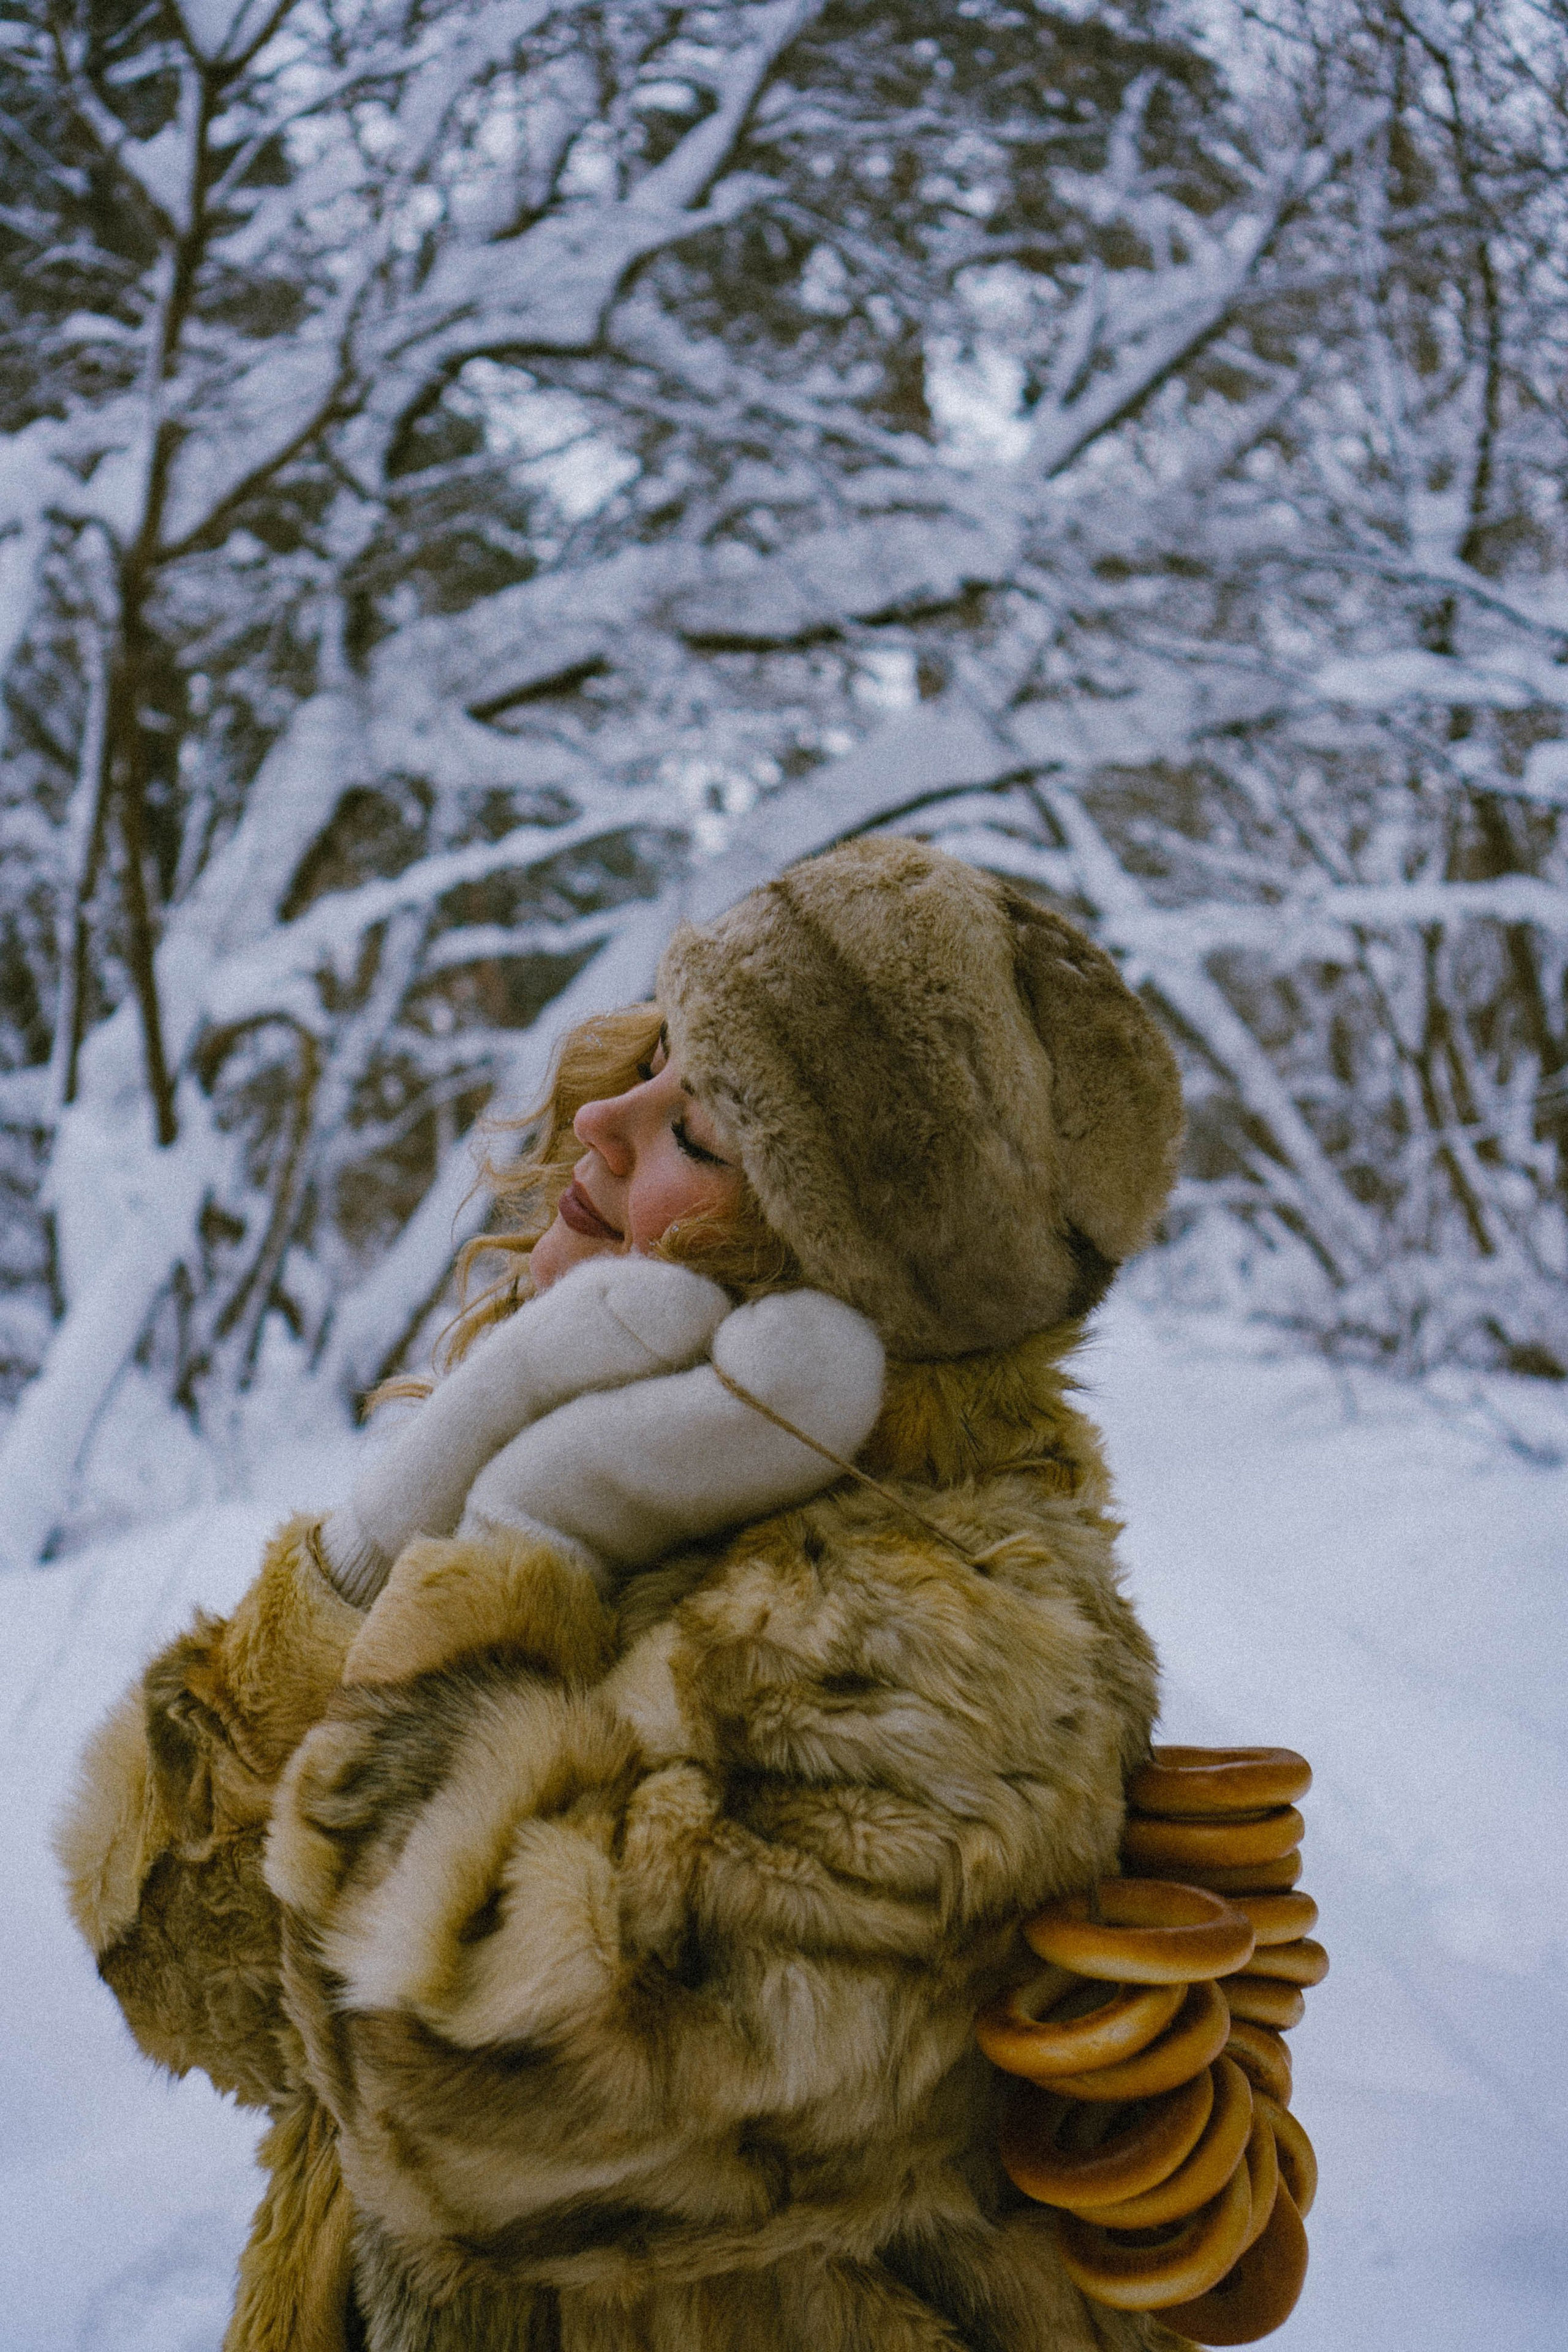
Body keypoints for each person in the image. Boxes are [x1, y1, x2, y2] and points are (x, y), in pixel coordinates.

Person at [58, 835, 1189, 2352]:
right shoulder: (634, 1502)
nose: (596, 1119)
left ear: (840, 1274)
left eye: (699, 1134)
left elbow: (453, 2104)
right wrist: (395, 1528)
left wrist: (525, 1541)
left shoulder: (944, 1656)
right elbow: (176, 1954)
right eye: (654, 1059)